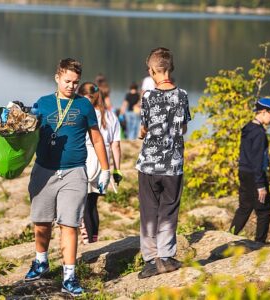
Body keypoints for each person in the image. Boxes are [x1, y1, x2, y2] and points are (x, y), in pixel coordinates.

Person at [25, 58, 110, 296]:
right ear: (57, 77)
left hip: (74, 172)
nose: (71, 86)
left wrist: (106, 169)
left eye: (75, 82)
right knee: (41, 221)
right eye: (67, 81)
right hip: (44, 170)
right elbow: (26, 134)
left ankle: (69, 277)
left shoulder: (84, 106)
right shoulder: (42, 104)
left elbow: (96, 138)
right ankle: (41, 262)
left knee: (69, 224)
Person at [136, 47, 191, 279]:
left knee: (149, 210)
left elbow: (145, 128)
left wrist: (143, 134)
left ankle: (150, 260)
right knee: (169, 209)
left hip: (149, 164)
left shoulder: (148, 96)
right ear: (170, 69)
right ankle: (166, 257)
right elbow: (184, 127)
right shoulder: (183, 95)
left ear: (151, 71)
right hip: (173, 164)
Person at [229, 98, 270, 243]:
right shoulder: (259, 133)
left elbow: (247, 155)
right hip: (255, 175)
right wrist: (260, 185)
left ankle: (229, 237)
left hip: (244, 172)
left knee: (245, 207)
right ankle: (259, 244)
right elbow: (257, 160)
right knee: (264, 211)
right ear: (264, 112)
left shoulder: (247, 128)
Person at [77, 82, 123, 244]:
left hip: (86, 158)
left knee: (83, 204)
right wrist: (116, 170)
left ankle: (87, 241)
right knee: (93, 203)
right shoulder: (111, 116)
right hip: (103, 161)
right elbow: (115, 145)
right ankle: (94, 238)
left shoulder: (83, 113)